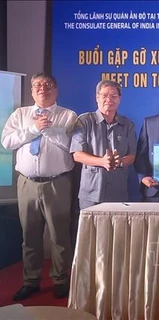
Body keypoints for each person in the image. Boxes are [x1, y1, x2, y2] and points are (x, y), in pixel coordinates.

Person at [1, 72, 77, 300]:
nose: (43, 88)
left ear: (56, 90)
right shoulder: (21, 114)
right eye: (38, 85)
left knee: (60, 236)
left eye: (48, 85)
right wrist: (34, 128)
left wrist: (48, 129)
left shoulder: (68, 115)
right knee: (30, 235)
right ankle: (31, 281)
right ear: (32, 91)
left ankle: (61, 280)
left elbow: (71, 146)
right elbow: (7, 142)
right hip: (27, 183)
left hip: (58, 183)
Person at [70, 80, 136, 209]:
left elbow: (132, 156)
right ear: (97, 97)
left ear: (119, 99)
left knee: (118, 229)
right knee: (90, 229)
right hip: (91, 192)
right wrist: (102, 161)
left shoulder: (127, 124)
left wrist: (120, 162)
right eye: (104, 95)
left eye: (113, 96)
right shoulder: (84, 121)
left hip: (118, 191)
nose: (109, 99)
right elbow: (77, 155)